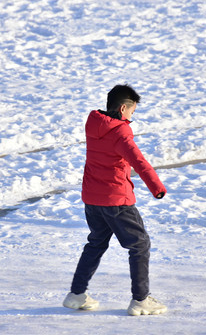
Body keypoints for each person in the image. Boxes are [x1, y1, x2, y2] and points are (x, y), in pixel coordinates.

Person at [63, 84, 168, 316]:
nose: (132, 117)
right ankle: (141, 300)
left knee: (96, 243)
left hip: (92, 199)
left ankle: (76, 294)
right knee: (140, 245)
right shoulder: (120, 132)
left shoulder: (94, 124)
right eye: (132, 112)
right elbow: (139, 162)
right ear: (123, 109)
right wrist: (157, 188)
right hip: (117, 201)